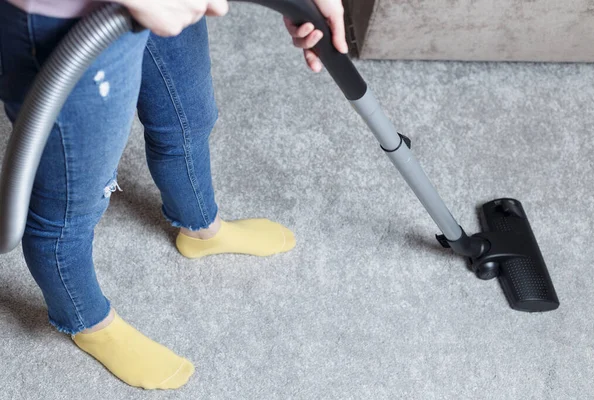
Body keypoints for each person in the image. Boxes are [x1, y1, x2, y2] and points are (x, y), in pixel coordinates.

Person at [0, 0, 348, 390]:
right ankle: (87, 320)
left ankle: (201, 227)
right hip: (65, 18)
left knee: (188, 117)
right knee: (70, 201)